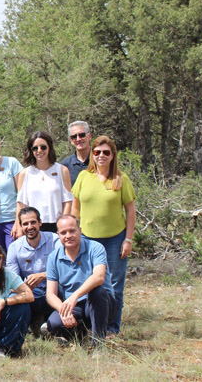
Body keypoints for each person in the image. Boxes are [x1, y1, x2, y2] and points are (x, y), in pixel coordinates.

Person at [70, 135, 135, 335]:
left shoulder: (120, 179)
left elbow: (130, 211)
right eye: (97, 152)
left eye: (106, 152)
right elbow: (75, 209)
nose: (101, 156)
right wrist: (73, 234)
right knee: (88, 282)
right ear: (92, 154)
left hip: (114, 239)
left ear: (113, 155)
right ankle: (90, 325)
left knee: (114, 284)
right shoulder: (83, 177)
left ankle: (112, 327)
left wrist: (128, 239)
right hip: (88, 239)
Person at [44, 215, 116, 346]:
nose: (68, 236)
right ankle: (80, 336)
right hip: (74, 308)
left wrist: (75, 296)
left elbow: (99, 277)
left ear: (80, 231)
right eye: (63, 232)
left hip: (100, 304)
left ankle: (98, 344)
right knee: (54, 323)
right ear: (58, 235)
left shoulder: (95, 248)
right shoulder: (53, 257)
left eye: (72, 231)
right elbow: (50, 294)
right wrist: (63, 310)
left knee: (97, 292)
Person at [6, 207, 59, 331]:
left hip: (55, 290)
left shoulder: (55, 241)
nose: (30, 227)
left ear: (40, 222)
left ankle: (52, 322)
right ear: (20, 226)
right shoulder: (14, 248)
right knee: (12, 294)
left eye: (33, 222)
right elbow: (13, 279)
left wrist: (44, 275)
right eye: (25, 224)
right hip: (31, 293)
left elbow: (65, 270)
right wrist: (24, 287)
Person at [16, 131, 72, 233]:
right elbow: (21, 204)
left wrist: (64, 226)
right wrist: (19, 227)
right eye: (35, 148)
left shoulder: (62, 170)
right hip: (33, 227)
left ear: (49, 147)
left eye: (43, 147)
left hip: (57, 226)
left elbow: (68, 202)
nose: (39, 150)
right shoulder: (25, 173)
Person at [59, 121, 92, 187]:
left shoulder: (100, 160)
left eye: (82, 135)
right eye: (74, 137)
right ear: (71, 140)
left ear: (89, 136)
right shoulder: (64, 166)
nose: (78, 139)